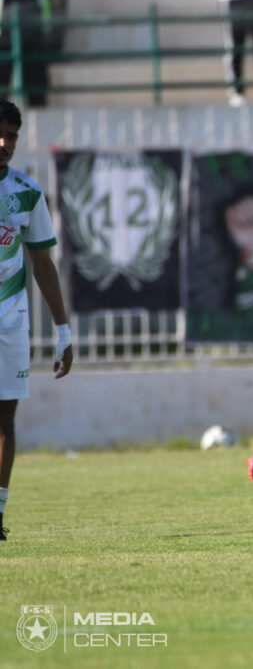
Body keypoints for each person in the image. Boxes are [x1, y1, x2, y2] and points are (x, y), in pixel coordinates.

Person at [0, 99, 74, 541]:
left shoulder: (27, 192)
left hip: (9, 322)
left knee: (4, 420)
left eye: (11, 136)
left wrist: (63, 331)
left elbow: (43, 264)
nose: (4, 143)